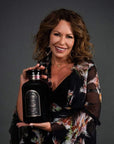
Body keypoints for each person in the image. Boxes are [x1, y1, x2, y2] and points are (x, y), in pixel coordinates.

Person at [9, 8, 102, 144]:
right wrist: (23, 83)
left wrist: (52, 127)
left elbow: (92, 112)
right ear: (48, 36)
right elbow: (25, 117)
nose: (61, 42)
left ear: (76, 41)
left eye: (69, 36)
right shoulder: (40, 68)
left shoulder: (86, 69)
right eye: (57, 34)